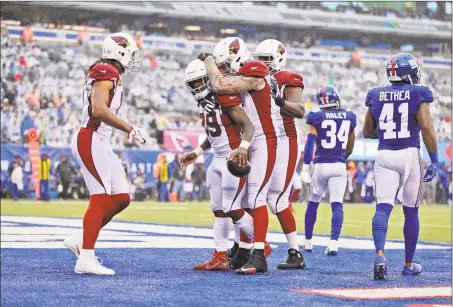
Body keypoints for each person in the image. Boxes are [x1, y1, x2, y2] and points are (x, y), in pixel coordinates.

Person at [63, 33, 149, 275]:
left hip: (101, 140)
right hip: (90, 137)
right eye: (130, 53)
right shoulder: (105, 71)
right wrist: (129, 128)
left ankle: (81, 238)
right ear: (120, 52)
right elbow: (98, 110)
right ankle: (86, 258)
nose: (132, 59)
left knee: (122, 197)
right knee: (100, 197)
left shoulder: (110, 73)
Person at [198, 37, 277, 274]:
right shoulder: (243, 74)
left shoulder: (254, 70)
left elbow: (220, 85)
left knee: (255, 199)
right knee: (243, 201)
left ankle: (260, 255)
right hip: (249, 140)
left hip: (263, 140)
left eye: (224, 64)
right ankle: (244, 250)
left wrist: (209, 60)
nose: (221, 70)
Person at [363, 53, 438, 280]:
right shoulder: (418, 92)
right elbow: (425, 126)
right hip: (409, 153)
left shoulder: (375, 94)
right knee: (411, 211)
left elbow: (367, 131)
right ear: (411, 73)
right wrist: (434, 159)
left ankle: (379, 254)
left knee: (383, 208)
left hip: (384, 153)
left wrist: (388, 133)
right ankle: (408, 263)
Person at [180, 58, 255, 271]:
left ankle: (261, 244)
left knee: (232, 206)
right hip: (217, 158)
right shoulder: (205, 105)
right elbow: (214, 135)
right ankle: (220, 256)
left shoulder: (225, 97)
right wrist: (196, 153)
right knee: (218, 208)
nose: (197, 87)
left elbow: (248, 126)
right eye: (192, 84)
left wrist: (243, 148)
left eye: (199, 82)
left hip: (232, 157)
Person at [253, 39, 306, 269]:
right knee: (254, 194)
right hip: (264, 139)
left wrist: (280, 100)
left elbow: (300, 110)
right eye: (260, 59)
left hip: (285, 140)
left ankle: (295, 253)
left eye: (267, 59)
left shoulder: (287, 78)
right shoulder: (255, 79)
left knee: (277, 200)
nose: (263, 64)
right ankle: (246, 246)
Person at [301, 85, 357, 256]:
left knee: (313, 201)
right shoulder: (349, 116)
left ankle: (308, 241)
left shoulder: (316, 117)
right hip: (339, 165)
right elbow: (350, 143)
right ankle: (333, 243)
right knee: (337, 204)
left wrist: (305, 167)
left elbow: (310, 143)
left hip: (321, 165)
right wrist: (342, 157)